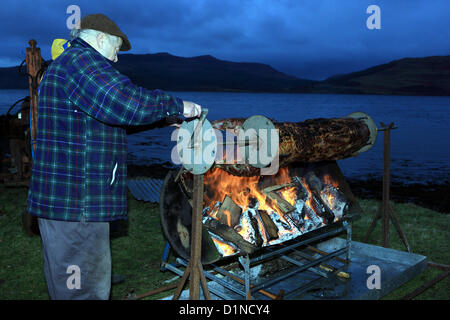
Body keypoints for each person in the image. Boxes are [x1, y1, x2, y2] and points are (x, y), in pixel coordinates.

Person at [26, 13, 202, 300]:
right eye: (117, 48)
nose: (117, 58)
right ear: (99, 38)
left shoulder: (68, 65)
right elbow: (124, 101)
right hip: (77, 206)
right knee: (81, 292)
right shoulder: (81, 64)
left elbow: (105, 119)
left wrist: (162, 121)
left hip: (67, 203)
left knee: (69, 284)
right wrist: (178, 106)